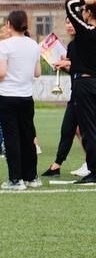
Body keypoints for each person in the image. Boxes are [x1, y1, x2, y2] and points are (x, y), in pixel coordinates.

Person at [0, 10, 41, 189]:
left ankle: (15, 179)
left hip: (8, 96)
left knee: (11, 138)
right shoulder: (34, 45)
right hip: (26, 97)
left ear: (9, 24)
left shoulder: (4, 45)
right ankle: (31, 177)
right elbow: (37, 72)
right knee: (28, 136)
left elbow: (1, 73)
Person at [43, 22, 84, 176]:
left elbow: (87, 67)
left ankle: (90, 163)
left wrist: (68, 63)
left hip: (88, 93)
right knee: (68, 128)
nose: (69, 25)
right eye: (66, 22)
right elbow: (76, 71)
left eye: (72, 22)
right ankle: (57, 165)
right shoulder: (72, 46)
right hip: (76, 92)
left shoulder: (88, 42)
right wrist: (64, 66)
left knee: (84, 130)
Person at [63, 0, 96, 184]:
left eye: (85, 11)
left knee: (89, 130)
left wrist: (89, 0)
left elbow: (69, 5)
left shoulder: (86, 31)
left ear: (89, 13)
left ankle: (94, 170)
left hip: (85, 84)